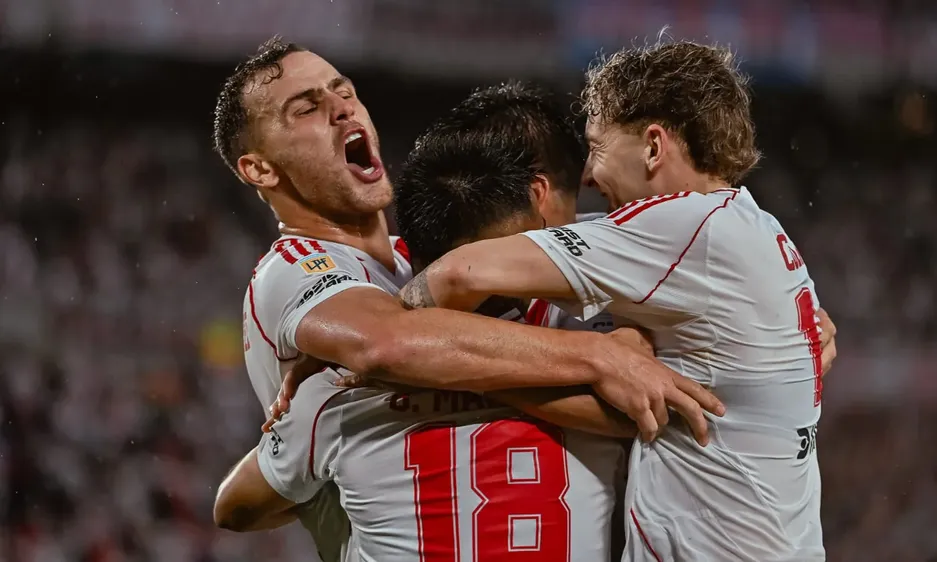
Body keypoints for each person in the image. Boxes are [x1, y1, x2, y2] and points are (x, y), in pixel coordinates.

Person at [208, 36, 722, 558]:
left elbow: (241, 503)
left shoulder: (428, 263)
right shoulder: (291, 270)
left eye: (344, 91)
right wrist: (599, 356)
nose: (341, 108)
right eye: (306, 108)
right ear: (260, 169)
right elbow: (386, 343)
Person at [397, 40, 831, 561]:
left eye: (597, 147)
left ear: (652, 147)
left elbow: (453, 275)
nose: (586, 176)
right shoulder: (750, 225)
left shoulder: (681, 228)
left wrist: (416, 347)